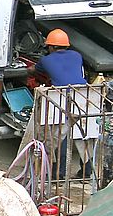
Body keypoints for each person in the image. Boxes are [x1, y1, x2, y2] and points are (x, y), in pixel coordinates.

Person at [30, 28, 96, 179]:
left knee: (61, 133)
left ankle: (59, 173)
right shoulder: (77, 55)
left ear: (51, 47)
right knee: (85, 133)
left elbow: (33, 70)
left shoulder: (46, 60)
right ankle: (86, 172)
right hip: (86, 95)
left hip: (63, 98)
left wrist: (25, 70)